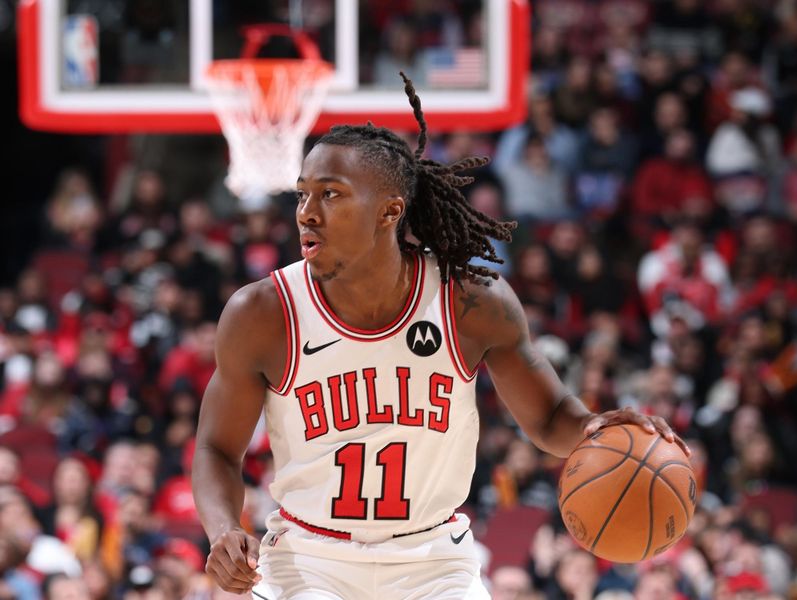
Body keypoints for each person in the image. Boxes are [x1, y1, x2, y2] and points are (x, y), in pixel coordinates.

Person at [192, 74, 690, 598]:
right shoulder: (263, 312)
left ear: (390, 210)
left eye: (331, 195)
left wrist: (595, 427)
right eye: (302, 195)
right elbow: (217, 448)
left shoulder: (471, 302)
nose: (306, 214)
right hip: (308, 560)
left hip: (432, 562)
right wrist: (224, 530)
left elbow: (546, 418)